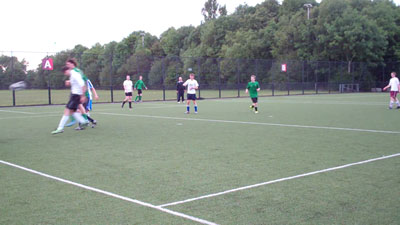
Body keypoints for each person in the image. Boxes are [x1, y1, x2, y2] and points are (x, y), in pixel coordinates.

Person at [52, 66, 88, 134]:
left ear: (68, 70)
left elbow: (82, 84)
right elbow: (74, 84)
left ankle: (60, 128)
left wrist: (83, 96)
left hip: (76, 96)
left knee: (67, 110)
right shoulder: (72, 75)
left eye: (65, 73)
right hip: (74, 96)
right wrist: (69, 83)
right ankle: (83, 121)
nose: (65, 74)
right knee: (72, 111)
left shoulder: (74, 74)